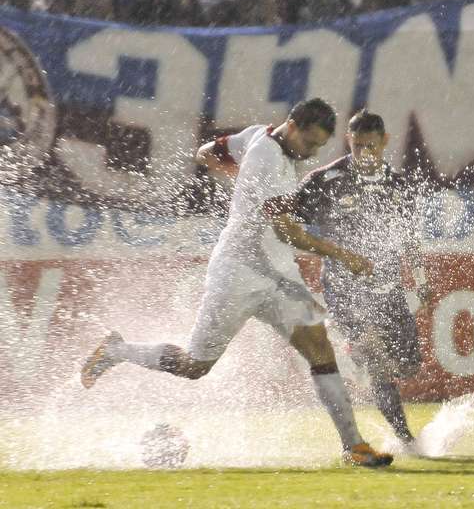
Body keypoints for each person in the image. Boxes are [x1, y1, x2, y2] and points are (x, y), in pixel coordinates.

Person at [80, 98, 393, 467]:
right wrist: (345, 256)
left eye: (319, 148)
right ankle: (116, 351)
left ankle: (353, 446)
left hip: (278, 274)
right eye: (308, 143)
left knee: (321, 349)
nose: (310, 153)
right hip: (238, 276)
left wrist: (241, 183)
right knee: (194, 366)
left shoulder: (256, 134)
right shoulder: (268, 162)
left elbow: (205, 152)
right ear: (291, 126)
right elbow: (291, 233)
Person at [264, 110, 429, 448]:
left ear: (385, 142)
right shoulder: (325, 181)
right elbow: (286, 225)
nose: (365, 154)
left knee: (409, 365)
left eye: (371, 146)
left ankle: (367, 364)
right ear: (348, 142)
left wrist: (422, 281)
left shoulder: (399, 185)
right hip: (345, 292)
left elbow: (410, 239)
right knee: (377, 363)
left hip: (389, 290)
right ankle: (406, 439)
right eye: (357, 146)